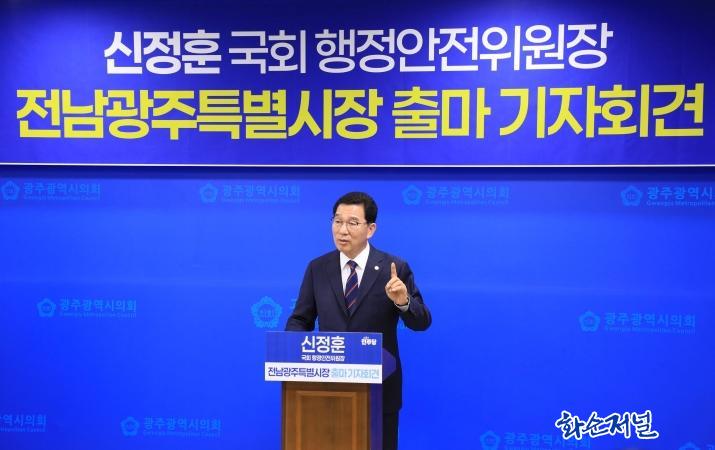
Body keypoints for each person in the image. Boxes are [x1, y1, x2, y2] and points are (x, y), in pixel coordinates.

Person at [285, 191, 431, 450]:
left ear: (370, 229)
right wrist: (291, 352)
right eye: (337, 221)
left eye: (352, 223)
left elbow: (421, 322)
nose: (342, 230)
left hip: (380, 390)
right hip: (327, 389)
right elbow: (300, 319)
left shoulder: (393, 268)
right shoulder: (318, 268)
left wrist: (403, 301)